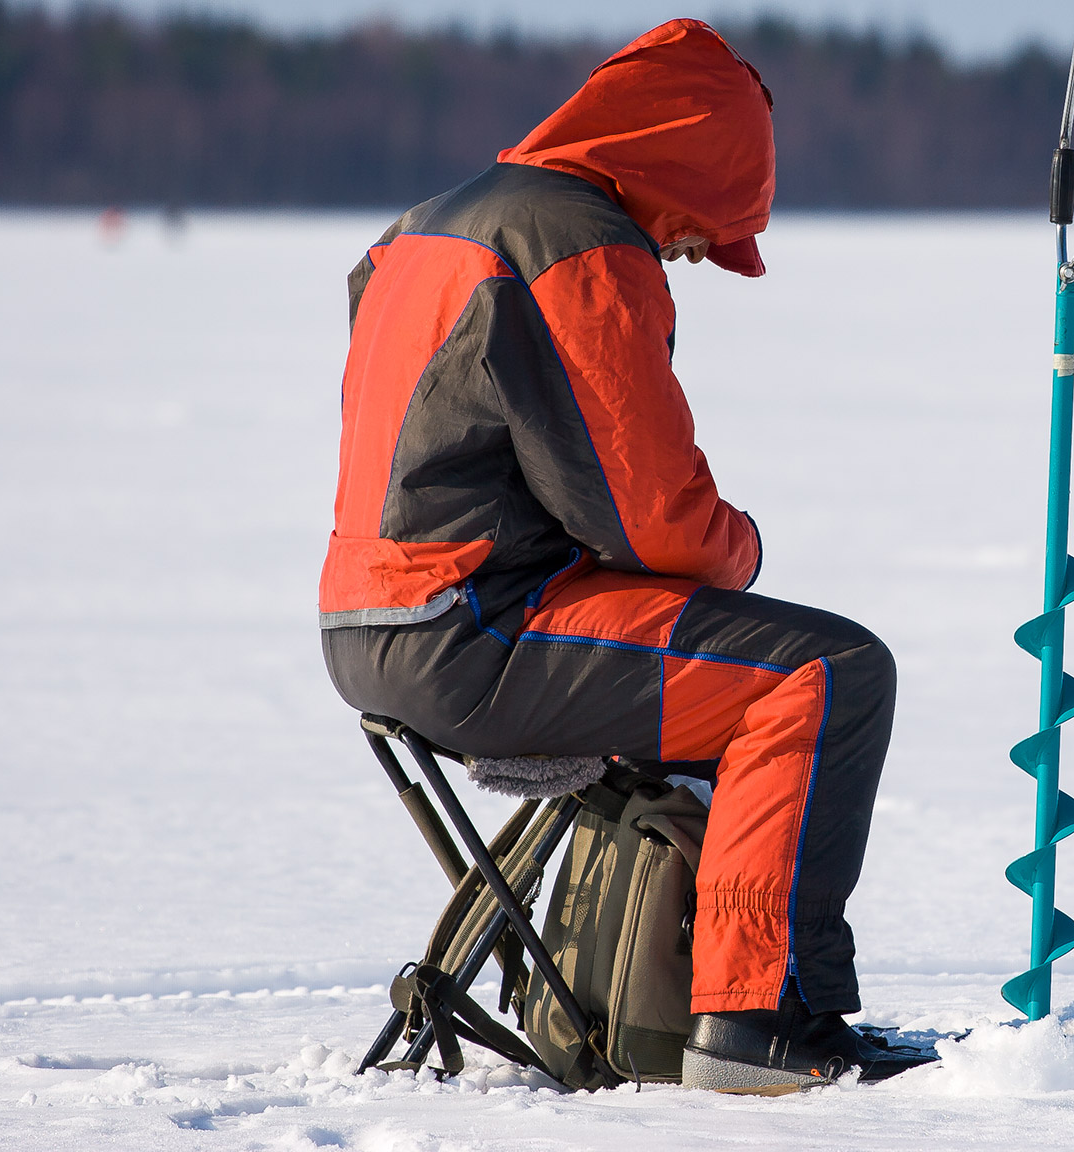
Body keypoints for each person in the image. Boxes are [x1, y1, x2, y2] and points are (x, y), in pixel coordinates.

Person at [317, 20, 930, 1092]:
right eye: (703, 225)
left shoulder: (428, 224)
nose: (694, 250)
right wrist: (735, 549)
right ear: (685, 158)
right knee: (821, 673)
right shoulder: (574, 242)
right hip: (476, 625)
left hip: (374, 620)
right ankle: (758, 1023)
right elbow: (648, 518)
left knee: (756, 662)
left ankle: (663, 995)